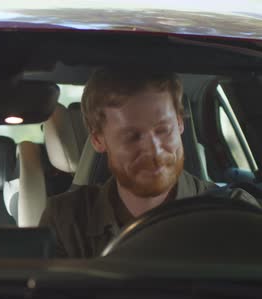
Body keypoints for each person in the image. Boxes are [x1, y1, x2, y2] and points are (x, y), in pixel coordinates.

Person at [39, 67, 257, 258]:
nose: (154, 149)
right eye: (132, 136)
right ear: (98, 139)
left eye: (163, 130)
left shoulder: (236, 211)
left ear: (180, 123)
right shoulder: (65, 220)